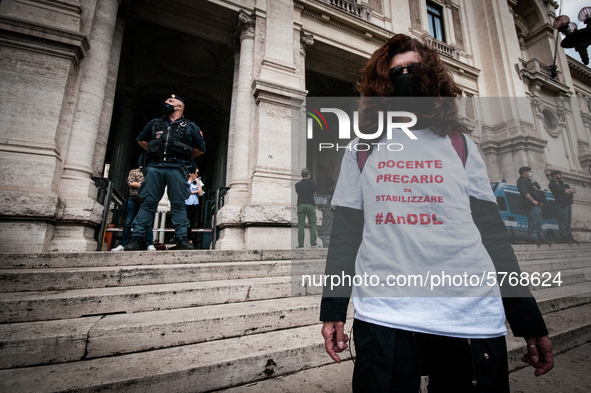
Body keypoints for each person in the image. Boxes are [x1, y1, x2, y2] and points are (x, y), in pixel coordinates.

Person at [320, 34, 553, 393]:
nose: (405, 77)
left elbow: (491, 234)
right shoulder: (362, 148)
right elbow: (346, 233)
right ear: (381, 87)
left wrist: (527, 319)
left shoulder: (460, 145)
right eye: (395, 73)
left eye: (413, 69)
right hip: (386, 315)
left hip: (468, 316)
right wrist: (333, 309)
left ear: (432, 79)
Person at [124, 94, 205, 251]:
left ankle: (182, 239)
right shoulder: (155, 123)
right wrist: (157, 152)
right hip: (155, 167)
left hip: (178, 168)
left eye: (171, 101)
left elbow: (200, 149)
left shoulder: (191, 127)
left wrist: (182, 157)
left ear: (179, 107)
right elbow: (142, 140)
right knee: (148, 203)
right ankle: (136, 238)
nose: (166, 103)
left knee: (178, 204)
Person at [111, 165, 155, 251]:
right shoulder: (133, 171)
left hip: (146, 199)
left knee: (148, 222)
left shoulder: (152, 172)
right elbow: (130, 183)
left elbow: (153, 185)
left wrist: (138, 184)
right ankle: (123, 244)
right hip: (134, 198)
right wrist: (145, 184)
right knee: (128, 222)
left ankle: (149, 244)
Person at [517, 166, 551, 245]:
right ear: (524, 172)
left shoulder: (529, 181)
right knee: (533, 221)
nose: (530, 173)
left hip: (537, 204)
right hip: (531, 204)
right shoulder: (521, 181)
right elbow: (524, 192)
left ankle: (540, 237)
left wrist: (539, 201)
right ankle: (533, 237)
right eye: (528, 171)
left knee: (538, 222)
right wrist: (533, 200)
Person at [548, 170, 579, 244]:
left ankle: (569, 236)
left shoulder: (561, 183)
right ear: (554, 175)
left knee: (568, 221)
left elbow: (572, 190)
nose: (561, 176)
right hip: (560, 204)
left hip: (567, 204)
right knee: (563, 221)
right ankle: (564, 237)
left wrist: (568, 190)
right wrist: (568, 190)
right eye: (559, 174)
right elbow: (564, 191)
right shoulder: (553, 184)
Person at [295, 168, 321, 249]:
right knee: (313, 225)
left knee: (301, 226)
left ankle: (301, 245)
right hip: (310, 205)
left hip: (301, 205)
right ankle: (313, 244)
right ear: (309, 175)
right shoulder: (313, 184)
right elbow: (314, 194)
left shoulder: (297, 185)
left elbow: (298, 193)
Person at [185, 169, 204, 245]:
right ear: (190, 173)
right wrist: (194, 191)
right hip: (186, 203)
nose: (196, 174)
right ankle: (189, 239)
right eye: (195, 172)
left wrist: (198, 183)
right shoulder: (185, 182)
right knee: (186, 221)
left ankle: (189, 239)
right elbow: (185, 192)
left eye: (197, 173)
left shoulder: (197, 182)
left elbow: (200, 193)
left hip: (194, 203)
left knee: (191, 221)